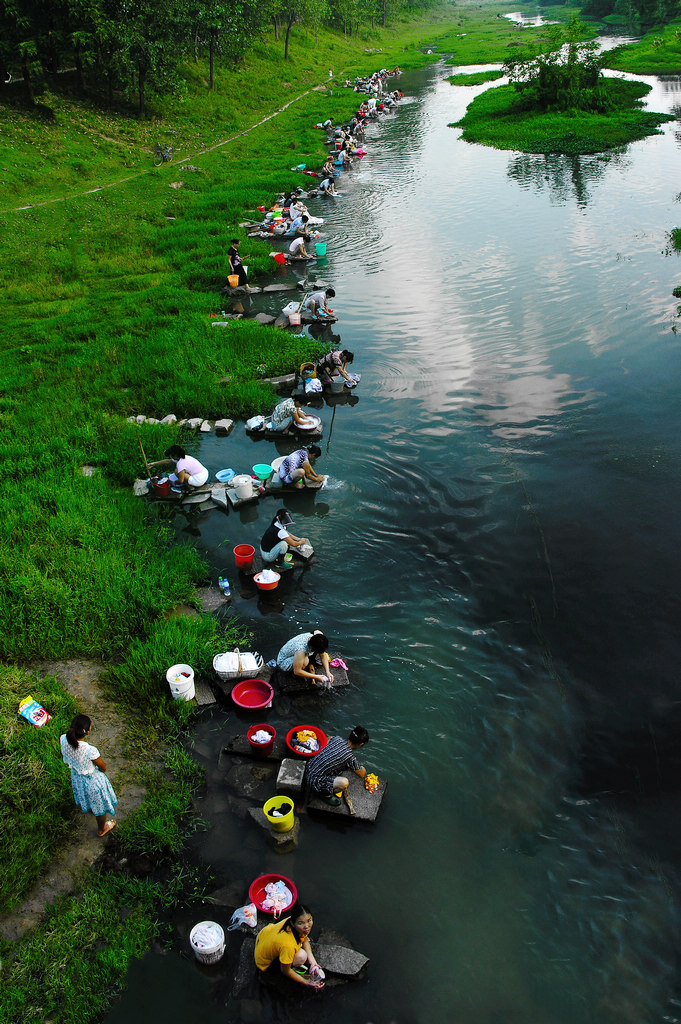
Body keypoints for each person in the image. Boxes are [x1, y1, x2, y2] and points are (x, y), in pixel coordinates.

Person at [60, 714, 118, 836]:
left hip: (77, 777)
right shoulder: (90, 750)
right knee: (100, 807)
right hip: (93, 782)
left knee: (85, 796)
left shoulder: (63, 739)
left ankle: (90, 807)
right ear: (87, 732)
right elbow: (103, 767)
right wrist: (101, 772)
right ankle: (102, 829)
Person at [254, 902, 325, 989]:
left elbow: (305, 939)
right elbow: (285, 971)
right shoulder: (288, 945)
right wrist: (306, 982)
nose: (307, 926)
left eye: (309, 920)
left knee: (300, 945)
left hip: (263, 937)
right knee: (302, 956)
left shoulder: (292, 920)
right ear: (293, 923)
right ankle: (291, 968)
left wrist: (313, 963)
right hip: (264, 962)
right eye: (301, 923)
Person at [304, 725, 370, 806]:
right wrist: (362, 767)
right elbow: (362, 774)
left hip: (308, 768)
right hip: (314, 782)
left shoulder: (336, 738)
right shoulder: (350, 758)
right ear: (361, 744)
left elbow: (328, 742)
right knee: (344, 783)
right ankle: (325, 795)